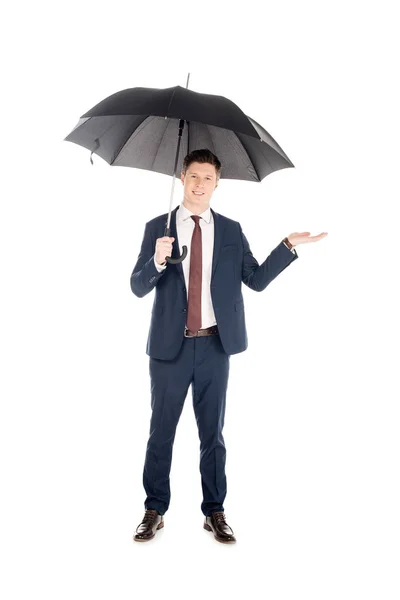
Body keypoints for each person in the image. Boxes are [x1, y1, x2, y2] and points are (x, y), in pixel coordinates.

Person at [130, 148, 327, 544]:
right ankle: (155, 508)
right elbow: (137, 286)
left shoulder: (232, 230)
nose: (200, 184)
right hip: (170, 350)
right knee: (161, 432)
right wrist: (156, 260)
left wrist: (287, 246)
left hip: (215, 348)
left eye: (207, 177)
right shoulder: (159, 227)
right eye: (193, 176)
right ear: (181, 178)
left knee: (213, 435)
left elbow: (253, 280)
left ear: (217, 183)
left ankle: (214, 510)